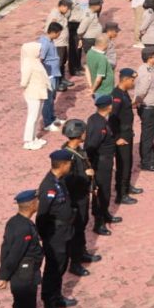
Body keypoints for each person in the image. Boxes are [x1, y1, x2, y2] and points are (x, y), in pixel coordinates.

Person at [37, 149, 77, 308]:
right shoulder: (49, 186)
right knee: (53, 271)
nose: (71, 167)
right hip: (55, 235)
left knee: (61, 266)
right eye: (69, 164)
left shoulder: (59, 181)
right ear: (64, 165)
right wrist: (46, 236)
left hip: (64, 232)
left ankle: (57, 297)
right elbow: (42, 215)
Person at [0, 189, 43, 308]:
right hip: (25, 276)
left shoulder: (14, 221)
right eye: (37, 200)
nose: (39, 202)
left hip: (22, 274)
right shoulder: (24, 228)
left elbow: (5, 248)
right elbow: (14, 254)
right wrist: (4, 277)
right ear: (32, 204)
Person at [60, 119, 95, 277]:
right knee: (76, 230)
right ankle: (75, 263)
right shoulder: (68, 156)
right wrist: (85, 175)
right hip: (75, 199)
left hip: (83, 196)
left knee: (82, 225)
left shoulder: (77, 150)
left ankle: (82, 252)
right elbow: (68, 180)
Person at [85, 95, 117, 237]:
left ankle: (105, 214)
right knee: (103, 192)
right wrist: (92, 163)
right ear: (109, 106)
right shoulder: (101, 125)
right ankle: (99, 223)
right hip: (102, 163)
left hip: (103, 161)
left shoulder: (94, 118)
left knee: (105, 190)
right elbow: (92, 145)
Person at [110, 69, 141, 207]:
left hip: (127, 133)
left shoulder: (123, 93)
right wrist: (117, 138)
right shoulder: (116, 96)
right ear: (125, 79)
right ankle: (121, 195)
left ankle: (126, 186)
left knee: (128, 162)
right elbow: (112, 119)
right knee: (123, 164)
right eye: (132, 80)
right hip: (122, 135)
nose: (133, 83)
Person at [134, 47, 154, 172]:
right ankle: (146, 161)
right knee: (147, 135)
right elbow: (142, 91)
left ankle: (152, 156)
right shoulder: (146, 72)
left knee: (150, 134)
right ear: (150, 58)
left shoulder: (148, 68)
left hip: (152, 108)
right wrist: (136, 102)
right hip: (149, 108)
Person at [20, 40, 50, 150]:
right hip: (33, 93)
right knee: (32, 117)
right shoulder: (28, 63)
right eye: (39, 50)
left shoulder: (35, 61)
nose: (40, 51)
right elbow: (24, 81)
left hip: (40, 92)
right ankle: (28, 141)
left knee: (37, 116)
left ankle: (33, 137)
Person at [38, 26, 64, 134]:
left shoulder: (49, 41)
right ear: (53, 32)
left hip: (54, 73)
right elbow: (40, 59)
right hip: (49, 75)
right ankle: (47, 123)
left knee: (52, 97)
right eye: (58, 33)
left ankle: (52, 117)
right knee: (48, 99)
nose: (59, 35)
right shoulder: (45, 43)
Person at [44, 0, 72, 87]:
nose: (68, 10)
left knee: (63, 62)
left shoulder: (62, 14)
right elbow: (49, 29)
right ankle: (57, 82)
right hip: (58, 43)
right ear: (62, 6)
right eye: (67, 8)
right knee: (58, 63)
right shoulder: (54, 15)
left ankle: (62, 79)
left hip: (63, 43)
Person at [85, 34, 114, 100]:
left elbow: (87, 70)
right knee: (105, 109)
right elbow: (98, 79)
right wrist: (92, 90)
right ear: (105, 44)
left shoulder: (89, 52)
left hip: (97, 89)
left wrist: (91, 85)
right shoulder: (102, 58)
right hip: (104, 90)